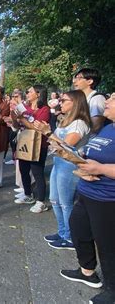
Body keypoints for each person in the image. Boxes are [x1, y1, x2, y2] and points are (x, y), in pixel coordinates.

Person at [60, 94, 115, 304]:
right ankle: (87, 271)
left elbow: (102, 164)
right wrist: (82, 166)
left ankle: (112, 290)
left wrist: (100, 169)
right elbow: (91, 153)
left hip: (107, 199)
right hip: (87, 192)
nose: (107, 101)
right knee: (78, 228)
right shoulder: (108, 127)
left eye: (113, 98)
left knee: (108, 244)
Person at [33, 90, 91, 250]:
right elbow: (57, 143)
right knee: (55, 200)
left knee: (66, 203)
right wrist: (46, 132)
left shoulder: (80, 123)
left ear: (76, 103)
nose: (60, 103)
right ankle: (62, 232)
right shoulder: (66, 120)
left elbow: (67, 145)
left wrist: (48, 133)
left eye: (64, 100)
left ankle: (71, 237)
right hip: (59, 162)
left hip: (69, 165)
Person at [12, 85, 51, 213]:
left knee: (37, 172)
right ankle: (28, 194)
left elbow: (37, 127)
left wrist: (22, 118)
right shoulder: (26, 108)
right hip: (24, 141)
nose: (27, 93)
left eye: (30, 91)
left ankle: (41, 201)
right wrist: (15, 117)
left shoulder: (44, 110)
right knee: (23, 169)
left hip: (38, 145)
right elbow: (17, 124)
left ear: (38, 94)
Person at [72, 68, 106, 134]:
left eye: (79, 78)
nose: (74, 81)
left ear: (90, 81)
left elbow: (95, 126)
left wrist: (77, 137)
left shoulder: (97, 99)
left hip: (88, 141)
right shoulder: (81, 99)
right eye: (75, 78)